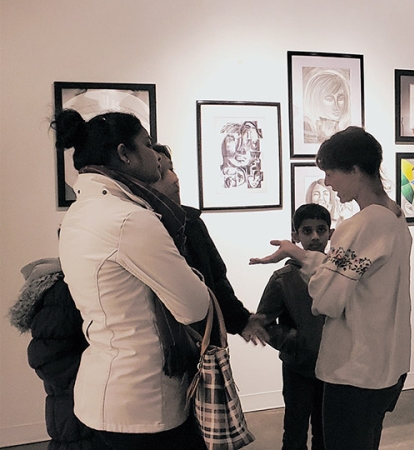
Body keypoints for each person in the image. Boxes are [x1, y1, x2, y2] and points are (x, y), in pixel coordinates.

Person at [53, 109, 211, 450]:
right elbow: (194, 306)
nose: (156, 155)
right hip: (143, 400)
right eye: (147, 144)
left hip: (103, 386)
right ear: (125, 154)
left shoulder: (80, 212)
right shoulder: (129, 219)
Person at [248, 126, 411, 450]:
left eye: (330, 172)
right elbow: (348, 276)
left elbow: (327, 300)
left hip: (354, 369)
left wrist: (311, 269)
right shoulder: (396, 216)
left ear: (354, 170)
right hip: (386, 365)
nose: (327, 182)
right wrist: (298, 253)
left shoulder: (359, 225)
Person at [151, 144, 262, 340]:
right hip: (167, 345)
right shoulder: (144, 230)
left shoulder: (192, 223)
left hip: (206, 341)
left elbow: (217, 279)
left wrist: (241, 321)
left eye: (172, 169)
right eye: (161, 174)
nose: (174, 179)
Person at [246, 203, 331, 450]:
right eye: (307, 231)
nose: (315, 236)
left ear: (330, 233)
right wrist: (293, 340)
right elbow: (263, 322)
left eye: (321, 229)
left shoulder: (339, 274)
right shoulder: (283, 279)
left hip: (334, 366)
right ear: (295, 236)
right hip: (298, 367)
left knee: (325, 430)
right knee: (295, 429)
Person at [9, 257, 112, 450]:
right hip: (78, 412)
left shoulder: (73, 283)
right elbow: (47, 356)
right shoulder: (63, 289)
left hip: (77, 411)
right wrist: (93, 382)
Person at [303, 68, 351, 143]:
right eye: (329, 99)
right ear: (316, 101)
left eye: (340, 98)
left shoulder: (346, 129)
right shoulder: (307, 129)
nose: (336, 106)